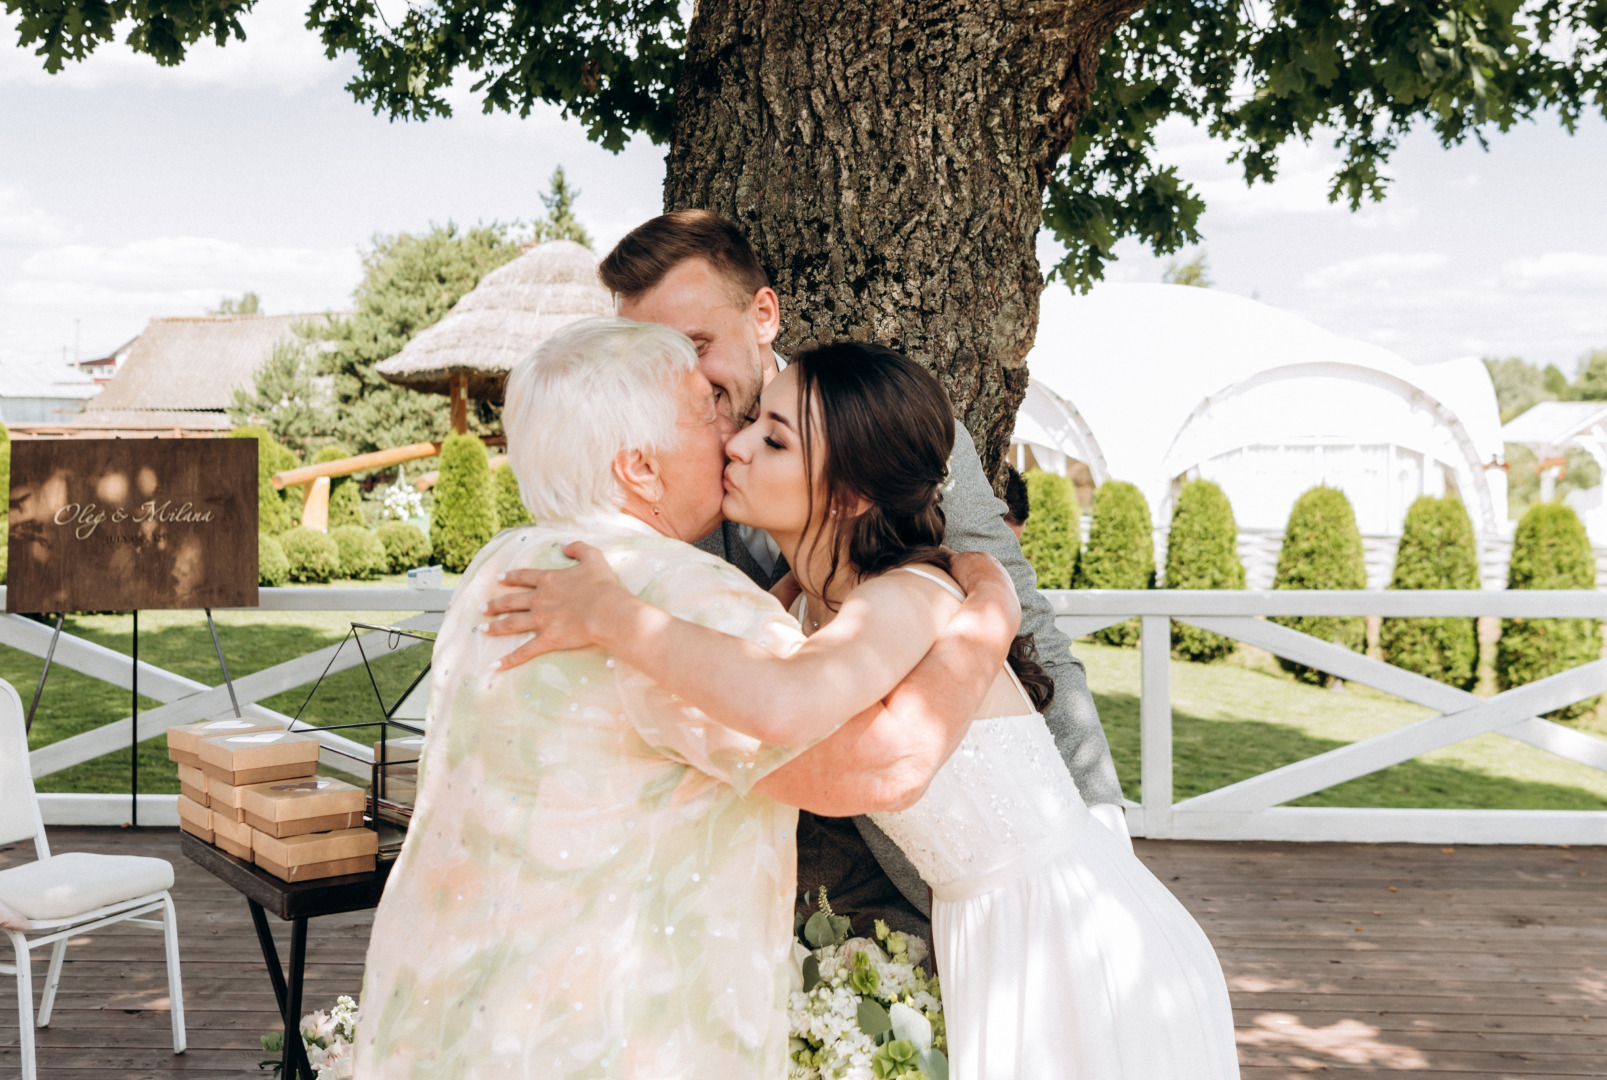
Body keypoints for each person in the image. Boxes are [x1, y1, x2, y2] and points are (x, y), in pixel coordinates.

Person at [496, 343, 1241, 1079]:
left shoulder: (902, 594)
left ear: (849, 493)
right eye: (753, 421)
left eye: (774, 439)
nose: (738, 444)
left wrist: (615, 618)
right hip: (987, 931)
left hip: (1063, 937)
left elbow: (786, 702)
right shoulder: (818, 603)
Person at [353, 320, 1022, 1079]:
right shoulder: (682, 595)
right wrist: (992, 611)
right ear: (639, 467)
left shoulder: (501, 564)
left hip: (452, 1009)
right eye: (709, 408)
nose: (733, 431)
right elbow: (878, 767)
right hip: (608, 1032)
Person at [485, 210, 1127, 944]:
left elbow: (1019, 619)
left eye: (698, 345)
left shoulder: (879, 426)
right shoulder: (660, 457)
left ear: (762, 314)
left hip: (968, 852)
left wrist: (1096, 817)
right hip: (779, 864)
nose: (690, 379)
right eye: (660, 354)